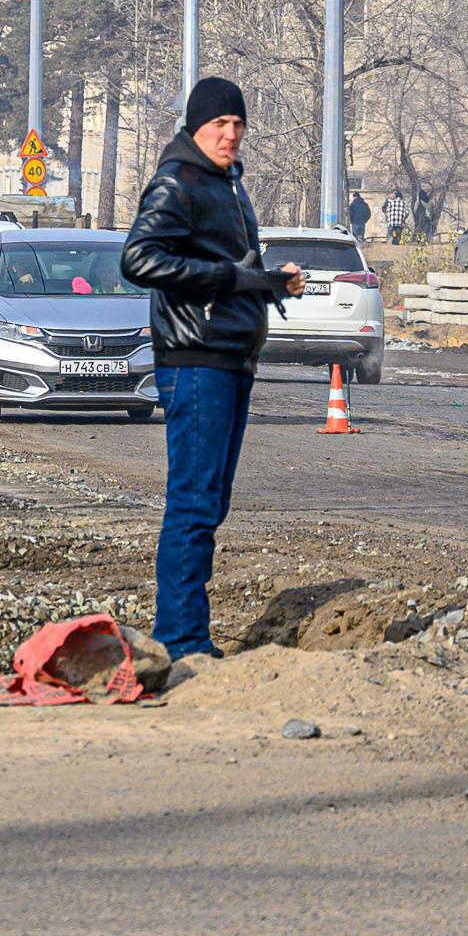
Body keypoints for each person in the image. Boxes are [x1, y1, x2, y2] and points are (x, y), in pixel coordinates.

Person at [121, 76, 310, 659]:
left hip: (229, 355)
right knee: (194, 501)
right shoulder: (179, 181)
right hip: (196, 358)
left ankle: (188, 634)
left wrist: (268, 280)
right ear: (194, 127)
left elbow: (224, 264)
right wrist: (232, 279)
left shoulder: (228, 184)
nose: (230, 134)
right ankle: (180, 640)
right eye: (218, 125)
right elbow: (139, 258)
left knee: (210, 500)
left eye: (237, 124)